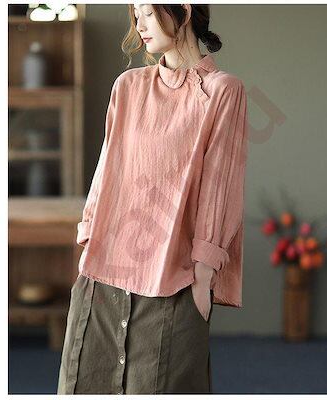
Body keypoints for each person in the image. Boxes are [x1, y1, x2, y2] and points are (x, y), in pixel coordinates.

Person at [57, 3, 249, 395]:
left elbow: (220, 185)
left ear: (183, 9)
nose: (138, 24)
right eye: (135, 14)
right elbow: (108, 167)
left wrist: (203, 275)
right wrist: (88, 238)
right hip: (103, 274)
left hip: (173, 281)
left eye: (146, 11)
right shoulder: (128, 86)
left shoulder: (222, 91)